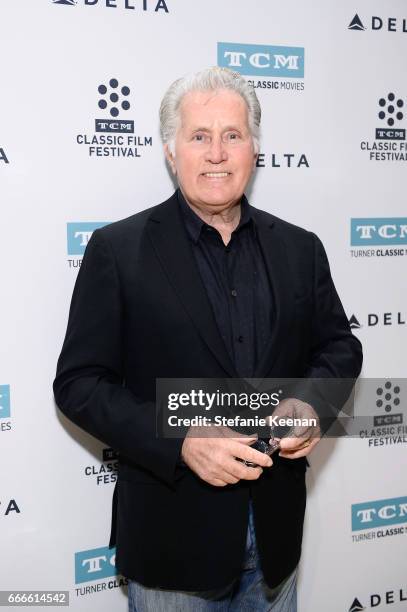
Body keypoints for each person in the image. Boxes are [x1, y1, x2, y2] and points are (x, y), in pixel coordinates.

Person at [53, 66, 362, 611]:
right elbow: (79, 384)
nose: (216, 153)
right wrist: (180, 442)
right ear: (172, 152)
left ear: (255, 151)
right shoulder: (117, 251)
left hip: (276, 544)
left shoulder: (300, 248)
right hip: (172, 552)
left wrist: (311, 405)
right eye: (199, 136)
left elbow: (340, 346)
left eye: (232, 135)